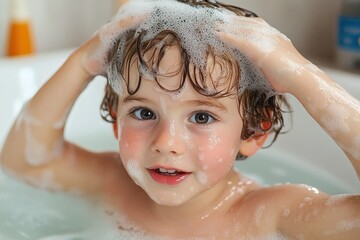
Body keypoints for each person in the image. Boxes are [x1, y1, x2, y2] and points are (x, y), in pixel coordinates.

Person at [1, 0, 359, 239]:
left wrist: (301, 76)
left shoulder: (268, 214)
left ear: (254, 130)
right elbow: (25, 164)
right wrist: (83, 61)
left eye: (201, 116)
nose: (166, 142)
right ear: (115, 119)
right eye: (143, 113)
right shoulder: (112, 181)